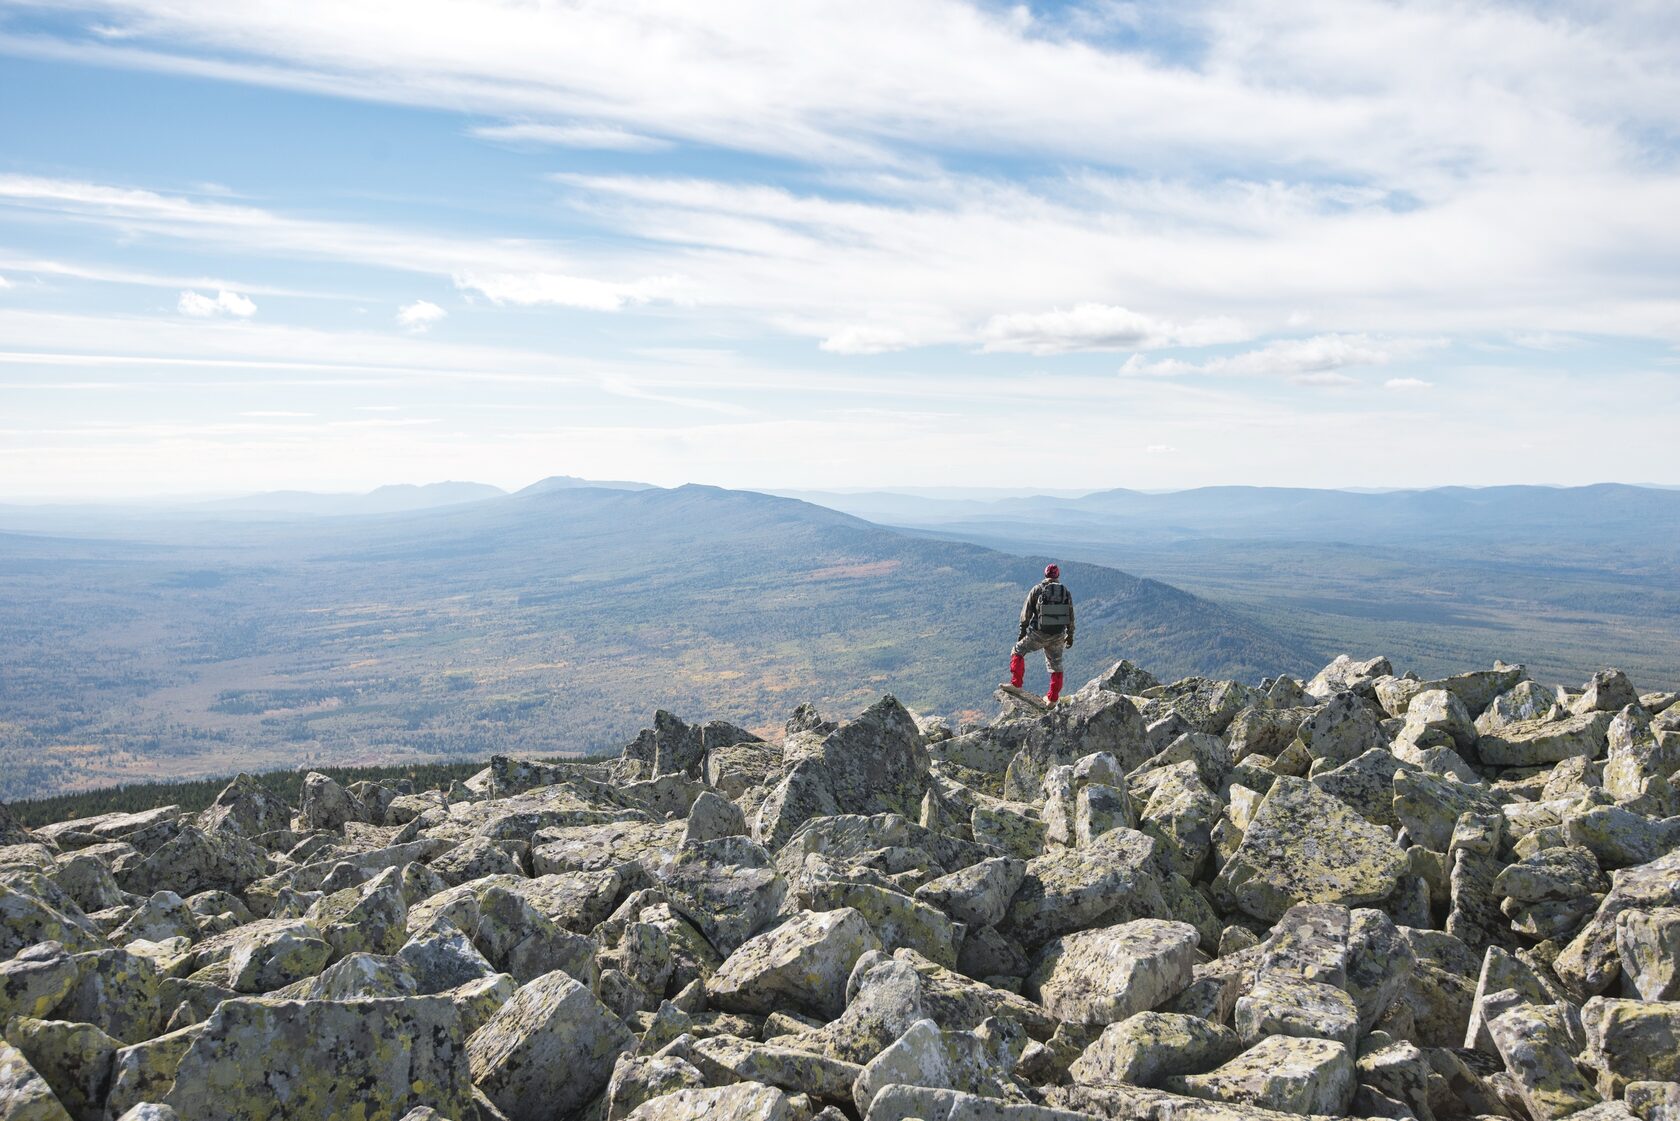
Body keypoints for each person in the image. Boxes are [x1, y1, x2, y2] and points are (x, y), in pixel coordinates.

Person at [1008, 563, 1075, 703]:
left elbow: (1026, 614)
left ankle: (1016, 684)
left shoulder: (1037, 589)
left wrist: (1022, 632)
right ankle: (1052, 698)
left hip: (1039, 633)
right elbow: (1070, 615)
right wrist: (1070, 635)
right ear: (1057, 576)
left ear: (1045, 574)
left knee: (1017, 651)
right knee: (1056, 664)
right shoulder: (1065, 591)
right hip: (1058, 635)